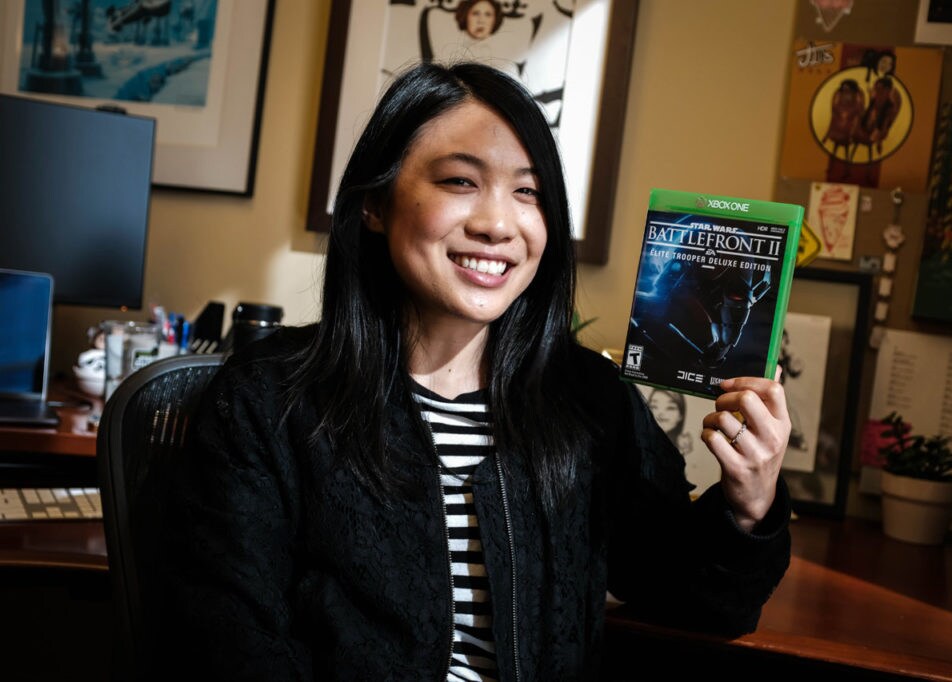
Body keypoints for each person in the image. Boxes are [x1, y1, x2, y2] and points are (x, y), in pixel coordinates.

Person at [160, 61, 792, 680]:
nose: (497, 224)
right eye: (460, 182)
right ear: (375, 204)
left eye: (529, 192)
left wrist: (749, 504)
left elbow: (695, 602)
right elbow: (226, 639)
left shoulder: (589, 401)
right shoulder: (269, 395)